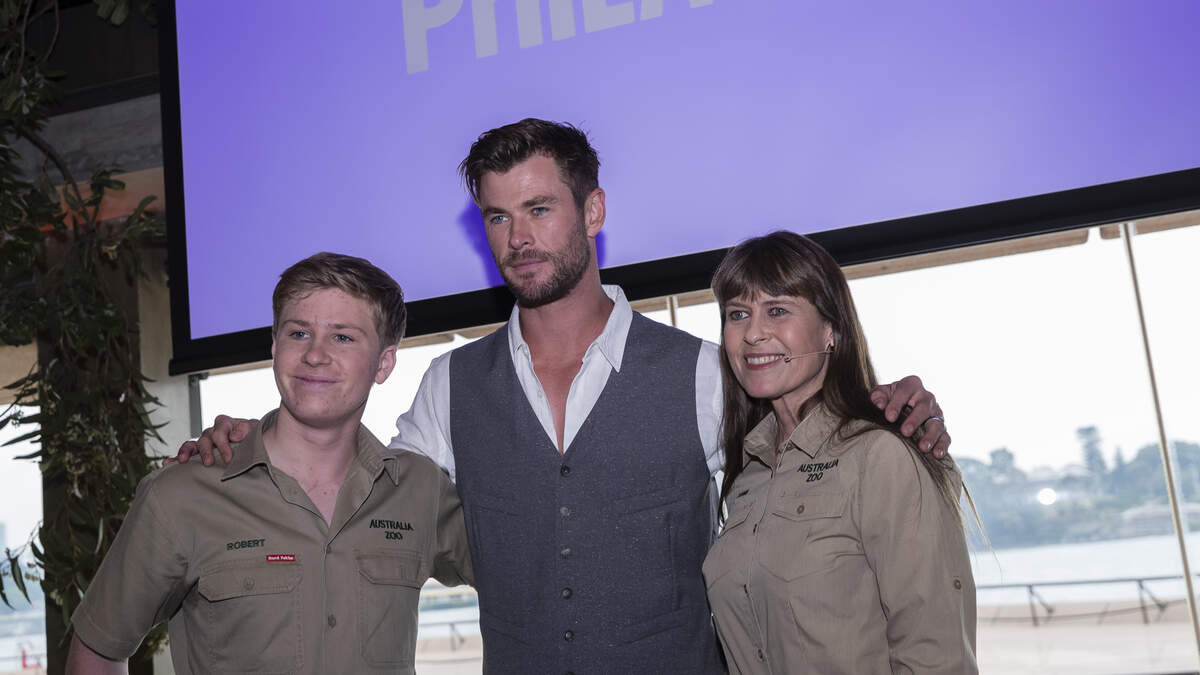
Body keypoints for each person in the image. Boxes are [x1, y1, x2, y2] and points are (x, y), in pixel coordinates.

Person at [176, 119, 951, 672]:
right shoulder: (449, 386)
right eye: (498, 217)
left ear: (593, 210)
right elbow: (356, 500)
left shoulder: (702, 371)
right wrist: (259, 442)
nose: (518, 238)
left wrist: (893, 406)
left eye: (539, 209)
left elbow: (815, 453)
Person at [67, 253, 472, 675]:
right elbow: (98, 652)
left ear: (384, 364)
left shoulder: (420, 490)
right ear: (276, 346)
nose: (315, 354)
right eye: (299, 333)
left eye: (342, 337)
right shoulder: (179, 496)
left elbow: (515, 573)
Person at [701, 231, 976, 674]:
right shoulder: (748, 475)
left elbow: (936, 656)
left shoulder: (881, 455)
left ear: (831, 329)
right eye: (738, 314)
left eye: (777, 310)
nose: (752, 333)